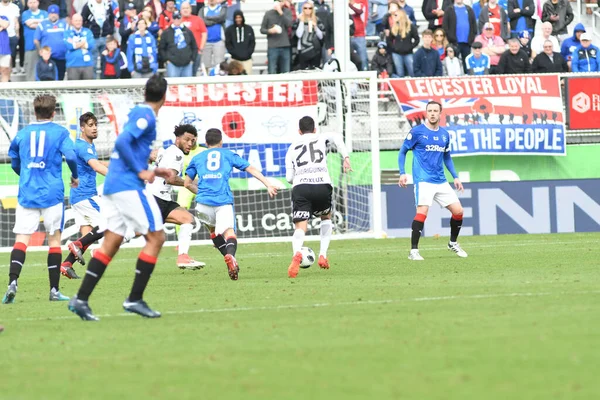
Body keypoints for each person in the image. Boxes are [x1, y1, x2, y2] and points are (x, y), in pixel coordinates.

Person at [68, 75, 174, 321]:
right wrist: (141, 171)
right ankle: (134, 298)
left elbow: (129, 146)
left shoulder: (137, 112)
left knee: (111, 243)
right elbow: (123, 141)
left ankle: (80, 299)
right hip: (127, 186)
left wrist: (154, 169)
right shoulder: (146, 115)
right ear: (164, 97)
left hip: (114, 186)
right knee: (157, 237)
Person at [3, 94, 79, 304]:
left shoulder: (23, 133)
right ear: (54, 112)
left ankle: (13, 283)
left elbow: (14, 160)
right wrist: (74, 175)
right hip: (52, 194)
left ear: (34, 112)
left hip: (28, 192)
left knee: (21, 240)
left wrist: (24, 174)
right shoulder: (61, 132)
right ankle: (54, 290)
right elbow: (71, 156)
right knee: (54, 239)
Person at [183, 128, 277, 281]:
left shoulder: (197, 157)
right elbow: (250, 169)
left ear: (206, 143)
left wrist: (201, 191)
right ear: (221, 142)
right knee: (229, 233)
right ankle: (230, 256)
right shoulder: (228, 154)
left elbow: (187, 183)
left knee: (213, 232)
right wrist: (268, 184)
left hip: (202, 203)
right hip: (222, 200)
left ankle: (228, 258)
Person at [398, 100, 467, 261]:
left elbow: (447, 157)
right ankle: (413, 251)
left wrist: (455, 177)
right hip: (423, 180)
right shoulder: (417, 132)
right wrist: (402, 173)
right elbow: (402, 152)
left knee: (458, 212)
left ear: (440, 113)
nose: (433, 113)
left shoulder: (444, 135)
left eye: (436, 111)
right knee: (422, 213)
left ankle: (452, 243)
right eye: (430, 111)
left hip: (441, 180)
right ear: (426, 113)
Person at [284, 116, 351, 278]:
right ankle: (323, 255)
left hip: (301, 187)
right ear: (315, 129)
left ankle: (297, 254)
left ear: (299, 131)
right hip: (322, 184)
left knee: (301, 227)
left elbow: (288, 178)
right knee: (326, 217)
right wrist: (346, 158)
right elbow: (336, 137)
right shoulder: (322, 137)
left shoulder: (292, 148)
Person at [146, 124, 206, 270]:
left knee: (187, 219)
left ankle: (183, 257)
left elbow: (151, 157)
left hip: (160, 198)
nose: (190, 144)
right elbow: (171, 179)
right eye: (187, 140)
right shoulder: (177, 154)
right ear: (178, 139)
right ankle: (99, 249)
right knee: (135, 231)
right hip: (156, 198)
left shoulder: (166, 151)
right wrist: (190, 182)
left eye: (193, 141)